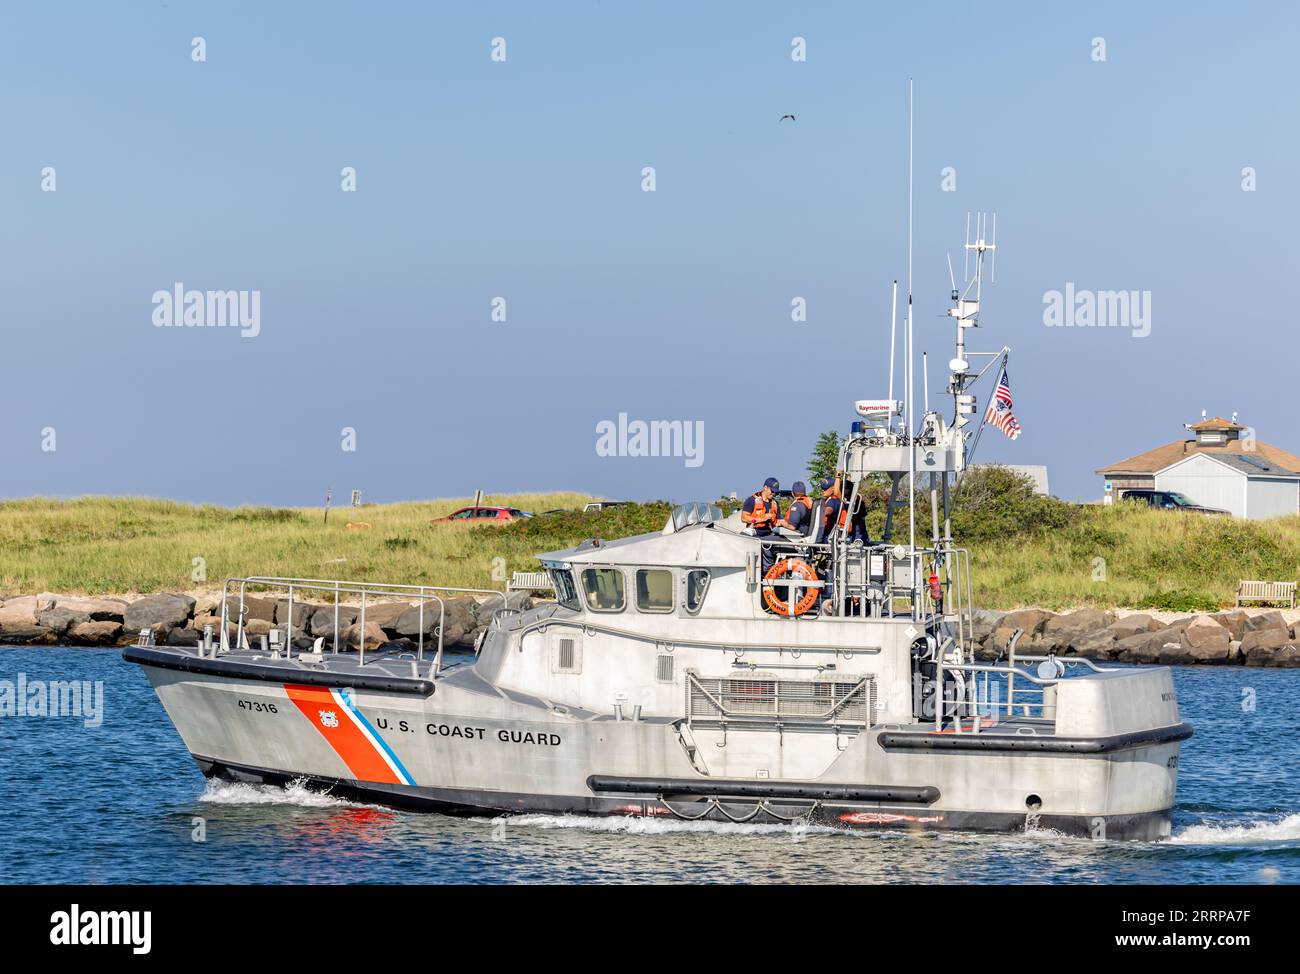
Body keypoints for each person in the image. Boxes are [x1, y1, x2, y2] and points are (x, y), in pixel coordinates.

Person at [742, 477, 782, 576]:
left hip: (769, 533)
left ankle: (770, 573)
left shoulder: (775, 504)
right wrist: (761, 518)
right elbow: (744, 518)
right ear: (765, 487)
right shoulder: (752, 500)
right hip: (755, 533)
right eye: (772, 491)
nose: (774, 494)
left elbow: (778, 521)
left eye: (775, 492)